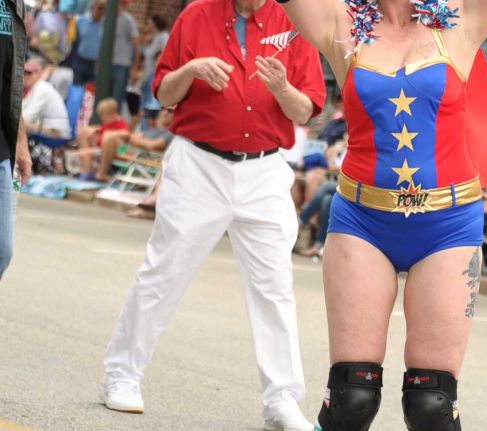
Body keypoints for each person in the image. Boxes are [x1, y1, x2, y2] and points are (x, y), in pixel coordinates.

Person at [280, 0, 487, 429]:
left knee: (431, 404)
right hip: (363, 221)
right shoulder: (343, 23)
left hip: (448, 225)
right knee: (350, 399)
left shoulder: (461, 18)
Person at [100, 1, 326, 430]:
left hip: (263, 170)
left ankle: (282, 400)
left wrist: (280, 87)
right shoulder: (197, 15)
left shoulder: (292, 24)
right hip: (199, 164)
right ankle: (121, 375)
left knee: (274, 288)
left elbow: (305, 110)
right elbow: (162, 92)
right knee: (163, 272)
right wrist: (191, 71)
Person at [0, 0, 33, 280]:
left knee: (1, 249)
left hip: (0, 144)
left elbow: (12, 81)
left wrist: (21, 143)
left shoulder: (14, 6)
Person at [93, 107, 174, 182]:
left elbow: (152, 145)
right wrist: (128, 137)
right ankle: (102, 172)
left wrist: (129, 139)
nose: (164, 113)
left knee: (109, 137)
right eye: (163, 109)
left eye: (170, 111)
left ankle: (102, 174)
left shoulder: (170, 133)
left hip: (141, 157)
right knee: (108, 135)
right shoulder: (154, 129)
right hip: (131, 153)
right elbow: (133, 136)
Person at [76, 98, 129, 179]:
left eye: (104, 117)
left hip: (111, 153)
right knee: (82, 149)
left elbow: (125, 136)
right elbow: (103, 129)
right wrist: (96, 131)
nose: (102, 119)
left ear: (112, 115)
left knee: (84, 154)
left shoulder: (120, 125)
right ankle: (88, 172)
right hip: (101, 150)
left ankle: (87, 174)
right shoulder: (108, 123)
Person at [21, 58, 71, 138]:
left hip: (56, 133)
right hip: (45, 128)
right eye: (24, 72)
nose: (25, 76)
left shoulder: (42, 87)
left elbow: (26, 117)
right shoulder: (34, 88)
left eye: (29, 73)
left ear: (39, 74)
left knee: (18, 124)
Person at [111, 0, 140, 110]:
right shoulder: (107, 17)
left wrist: (135, 68)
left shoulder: (128, 20)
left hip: (122, 64)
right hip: (108, 63)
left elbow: (136, 45)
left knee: (117, 97)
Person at [140, 14, 169, 123]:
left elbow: (164, 54)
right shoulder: (155, 37)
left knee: (151, 107)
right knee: (145, 106)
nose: (148, 25)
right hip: (148, 75)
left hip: (155, 76)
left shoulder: (163, 37)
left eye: (150, 22)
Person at [73, 0, 105, 85]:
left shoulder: (105, 25)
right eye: (99, 8)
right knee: (76, 89)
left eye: (103, 9)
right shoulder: (80, 21)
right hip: (79, 61)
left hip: (94, 64)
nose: (101, 11)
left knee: (89, 92)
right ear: (92, 7)